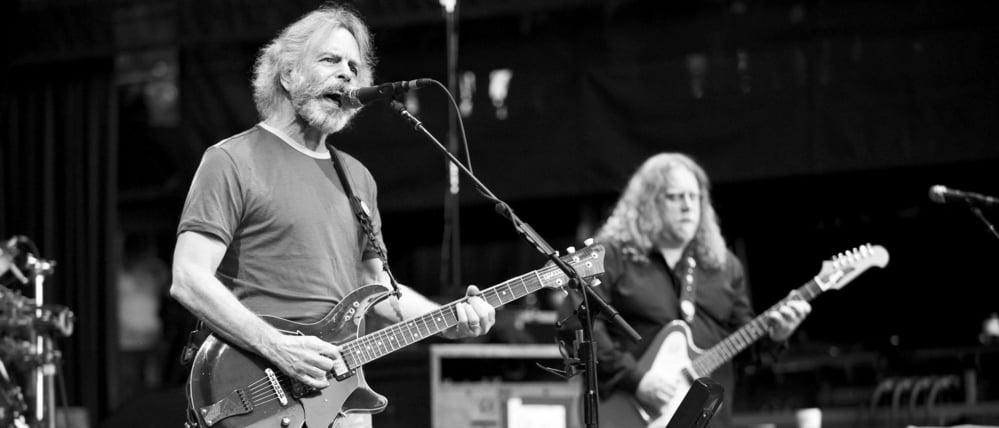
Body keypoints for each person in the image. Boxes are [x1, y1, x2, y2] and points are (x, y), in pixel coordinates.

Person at [168, 5, 495, 428]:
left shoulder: (357, 179)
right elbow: (188, 278)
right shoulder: (231, 160)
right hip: (256, 393)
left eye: (354, 67)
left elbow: (375, 288)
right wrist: (277, 346)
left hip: (344, 400)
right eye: (330, 60)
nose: (347, 75)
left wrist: (449, 321)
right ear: (287, 75)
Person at [580, 153, 811, 427]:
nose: (688, 206)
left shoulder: (725, 266)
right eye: (675, 197)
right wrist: (636, 379)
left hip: (708, 418)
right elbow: (584, 324)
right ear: (647, 203)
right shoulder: (613, 257)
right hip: (627, 413)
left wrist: (776, 336)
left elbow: (748, 352)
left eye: (695, 197)